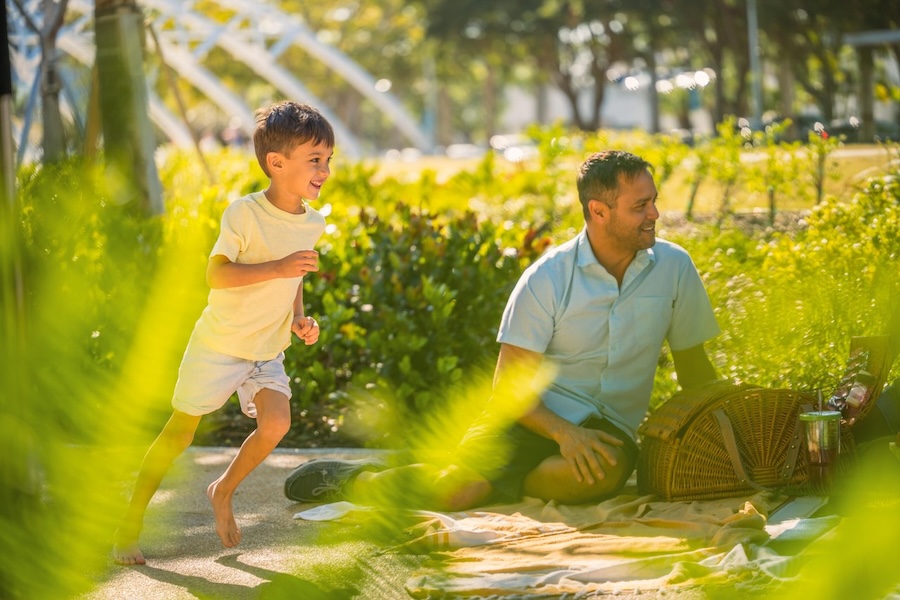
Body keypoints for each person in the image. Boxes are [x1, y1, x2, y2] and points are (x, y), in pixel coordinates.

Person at [285, 150, 720, 510]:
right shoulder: (547, 278)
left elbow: (695, 368)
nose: (655, 214)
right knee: (457, 491)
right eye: (640, 206)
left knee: (598, 477)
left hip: (609, 427)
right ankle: (355, 481)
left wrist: (720, 438)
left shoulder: (675, 268)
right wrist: (565, 433)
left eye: (653, 201)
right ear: (599, 211)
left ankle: (471, 473)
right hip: (530, 419)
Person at [113, 101, 334, 565]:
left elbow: (293, 279)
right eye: (315, 159)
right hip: (219, 346)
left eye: (328, 160)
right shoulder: (243, 214)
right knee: (178, 435)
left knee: (276, 423)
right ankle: (128, 526)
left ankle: (223, 489)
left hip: (266, 350)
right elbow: (217, 275)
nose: (325, 170)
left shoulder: (312, 222)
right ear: (277, 163)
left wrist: (299, 318)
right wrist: (277, 266)